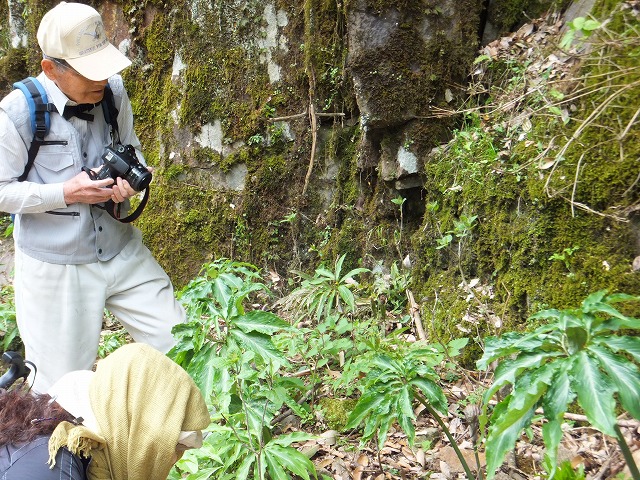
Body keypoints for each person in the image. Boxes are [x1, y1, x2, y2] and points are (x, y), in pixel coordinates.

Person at [0, 1, 185, 392]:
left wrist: (135, 182)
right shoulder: (16, 114)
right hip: (56, 269)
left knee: (182, 344)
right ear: (52, 68)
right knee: (60, 390)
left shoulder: (112, 92)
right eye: (90, 72)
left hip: (121, 250)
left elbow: (134, 150)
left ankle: (200, 444)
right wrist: (66, 192)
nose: (103, 79)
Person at [0, 343, 211, 480]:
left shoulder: (90, 454)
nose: (174, 459)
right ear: (134, 427)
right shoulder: (53, 465)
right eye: (171, 444)